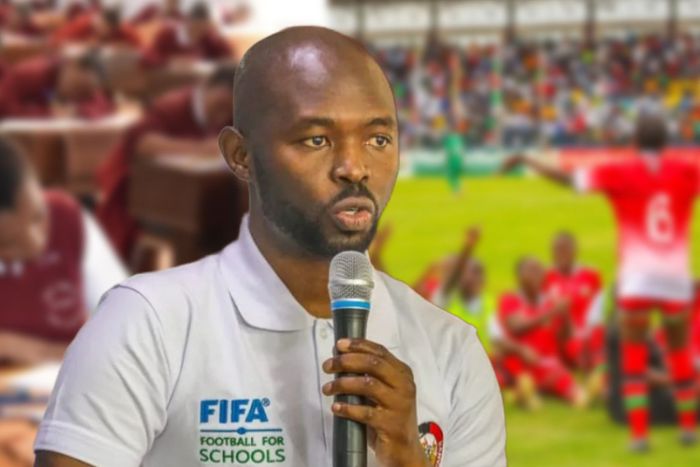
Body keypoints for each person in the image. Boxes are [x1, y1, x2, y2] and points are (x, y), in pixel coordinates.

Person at [34, 27, 506, 467]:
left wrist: (408, 460)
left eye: (378, 139)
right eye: (317, 139)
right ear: (241, 156)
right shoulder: (147, 323)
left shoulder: (452, 352)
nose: (354, 167)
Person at [503, 112, 699, 451]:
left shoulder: (621, 171)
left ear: (634, 142)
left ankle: (639, 435)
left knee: (634, 354)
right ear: (667, 144)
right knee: (679, 350)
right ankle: (686, 429)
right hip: (674, 278)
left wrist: (529, 160)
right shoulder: (686, 170)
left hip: (637, 279)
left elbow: (569, 178)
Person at [0, 137, 127, 366]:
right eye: (8, 243)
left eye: (38, 216)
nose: (36, 242)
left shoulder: (68, 219)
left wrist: (36, 350)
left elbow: (125, 330)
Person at [96, 65, 236, 260]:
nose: (222, 115)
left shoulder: (229, 111)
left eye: (228, 109)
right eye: (221, 105)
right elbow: (142, 142)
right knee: (197, 226)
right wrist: (199, 148)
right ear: (208, 88)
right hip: (150, 195)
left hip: (202, 194)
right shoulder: (173, 106)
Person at [497, 256, 586, 407]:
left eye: (539, 270)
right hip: (523, 361)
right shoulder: (511, 299)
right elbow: (516, 327)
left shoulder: (550, 301)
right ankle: (523, 392)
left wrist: (565, 314)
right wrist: (552, 312)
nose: (537, 275)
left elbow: (565, 337)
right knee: (522, 378)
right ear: (519, 276)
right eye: (531, 271)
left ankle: (524, 393)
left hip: (548, 364)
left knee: (579, 398)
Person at [543, 232, 605, 376]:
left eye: (566, 249)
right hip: (562, 335)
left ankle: (599, 369)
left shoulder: (591, 275)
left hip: (588, 332)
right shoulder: (546, 277)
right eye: (557, 250)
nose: (561, 254)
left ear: (575, 250)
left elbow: (599, 308)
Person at [434, 228, 497, 351]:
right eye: (465, 273)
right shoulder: (446, 299)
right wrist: (467, 248)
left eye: (476, 273)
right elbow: (453, 279)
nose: (470, 278)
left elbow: (496, 340)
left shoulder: (488, 303)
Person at [0, 51, 113, 120]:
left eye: (83, 94)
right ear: (71, 65)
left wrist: (76, 111)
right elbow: (4, 106)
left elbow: (104, 105)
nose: (75, 96)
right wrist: (48, 114)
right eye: (76, 86)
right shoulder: (30, 73)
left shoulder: (87, 85)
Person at [141, 2, 232, 67]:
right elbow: (148, 56)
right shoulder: (167, 33)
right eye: (197, 27)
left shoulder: (207, 37)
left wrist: (217, 33)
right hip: (169, 80)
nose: (199, 32)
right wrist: (169, 62)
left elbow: (227, 57)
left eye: (204, 27)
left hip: (197, 80)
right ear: (189, 21)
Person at [51, 7, 141, 48]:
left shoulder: (124, 30)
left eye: (106, 30)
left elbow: (140, 48)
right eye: (99, 27)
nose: (100, 32)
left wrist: (123, 46)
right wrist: (83, 45)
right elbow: (55, 40)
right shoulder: (83, 24)